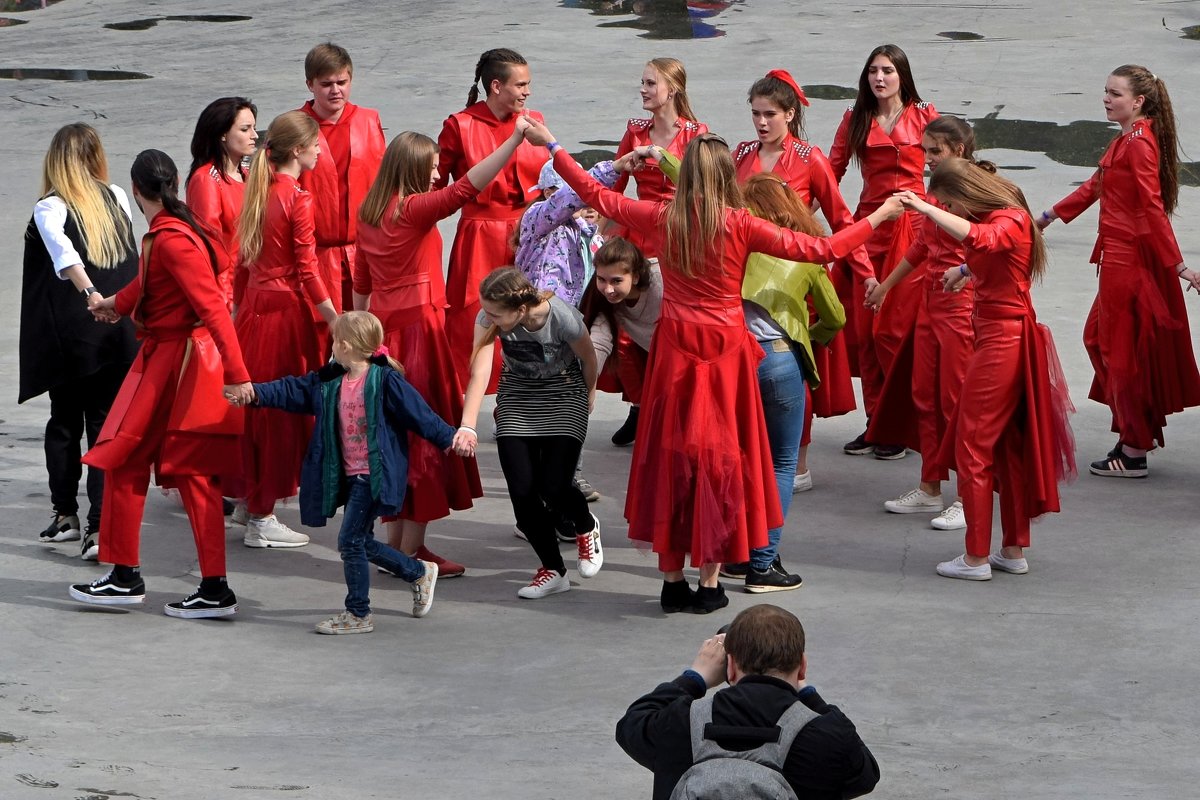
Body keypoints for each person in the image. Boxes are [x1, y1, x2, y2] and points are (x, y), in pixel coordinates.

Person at [523, 121, 904, 612]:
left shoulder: (661, 217)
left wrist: (554, 142)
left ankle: (671, 581)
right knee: (723, 462)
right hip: (725, 353)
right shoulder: (740, 224)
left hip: (676, 350)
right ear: (727, 175)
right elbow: (823, 248)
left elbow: (592, 190)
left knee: (672, 460)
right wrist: (883, 214)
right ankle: (709, 584)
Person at [68, 149, 250, 618]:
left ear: (135, 191)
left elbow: (210, 307)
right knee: (145, 465)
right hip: (174, 361)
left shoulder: (170, 238)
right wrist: (115, 303)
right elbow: (152, 285)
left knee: (163, 466)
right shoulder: (177, 231)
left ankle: (162, 581)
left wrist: (239, 374)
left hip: (177, 364)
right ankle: (149, 577)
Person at [353, 120, 532, 578]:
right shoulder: (410, 210)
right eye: (432, 169)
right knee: (426, 442)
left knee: (398, 438)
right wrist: (513, 139)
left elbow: (361, 284)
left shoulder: (369, 212)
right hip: (420, 335)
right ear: (411, 171)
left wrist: (364, 339)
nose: (439, 175)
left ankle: (399, 546)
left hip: (385, 335)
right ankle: (410, 554)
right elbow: (467, 188)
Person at [896, 158, 1076, 581]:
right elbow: (989, 252)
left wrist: (925, 208)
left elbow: (983, 237)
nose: (949, 215)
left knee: (972, 446)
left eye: (948, 206)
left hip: (1002, 342)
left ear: (961, 198)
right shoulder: (1005, 214)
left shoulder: (1008, 217)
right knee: (1005, 447)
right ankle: (1010, 550)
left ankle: (975, 557)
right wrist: (963, 270)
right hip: (1003, 338)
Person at [245, 312, 453, 634]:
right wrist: (255, 393)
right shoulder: (330, 381)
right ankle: (416, 572)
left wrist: (451, 439)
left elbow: (421, 415)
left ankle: (358, 613)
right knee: (359, 541)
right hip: (350, 474)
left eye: (334, 341)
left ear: (344, 345)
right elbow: (293, 390)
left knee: (350, 540)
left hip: (375, 475)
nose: (331, 346)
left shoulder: (385, 381)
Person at [1040, 64, 1200, 478]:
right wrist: (1047, 216)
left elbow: (1151, 209)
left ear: (1138, 101)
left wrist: (1179, 266)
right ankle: (1135, 434)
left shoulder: (1139, 144)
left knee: (1118, 351)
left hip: (1127, 264)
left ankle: (1133, 449)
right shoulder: (1128, 139)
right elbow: (1096, 186)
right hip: (1117, 260)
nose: (1106, 99)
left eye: (1114, 93)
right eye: (1106, 91)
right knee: (1103, 342)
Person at [734, 69, 872, 492]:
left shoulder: (809, 158)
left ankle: (797, 463)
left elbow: (841, 217)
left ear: (790, 114)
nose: (761, 122)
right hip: (747, 273)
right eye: (755, 113)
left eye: (769, 114)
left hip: (796, 274)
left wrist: (867, 275)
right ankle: (760, 456)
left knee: (792, 367)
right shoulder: (741, 153)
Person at [723, 173, 848, 593]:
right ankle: (763, 564)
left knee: (741, 459)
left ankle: (737, 556)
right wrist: (809, 340)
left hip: (734, 362)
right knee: (780, 462)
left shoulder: (735, 246)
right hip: (778, 361)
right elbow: (836, 317)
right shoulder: (807, 256)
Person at [615, 604, 880, 800]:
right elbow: (866, 774)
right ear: (802, 667)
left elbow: (631, 724)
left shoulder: (680, 722)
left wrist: (695, 677)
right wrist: (808, 694)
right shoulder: (827, 736)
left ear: (729, 667)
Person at [20, 122, 138, 561]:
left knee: (64, 423)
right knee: (105, 427)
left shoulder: (49, 207)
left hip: (73, 336)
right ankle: (99, 528)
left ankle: (66, 516)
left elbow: (63, 255)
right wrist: (113, 304)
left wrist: (90, 295)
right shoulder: (115, 197)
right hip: (116, 332)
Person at [453, 267, 604, 599]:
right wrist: (468, 425)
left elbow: (589, 358)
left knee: (554, 485)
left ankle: (586, 525)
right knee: (522, 490)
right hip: (518, 398)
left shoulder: (560, 317)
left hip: (565, 395)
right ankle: (553, 569)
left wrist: (588, 394)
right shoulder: (489, 317)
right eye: (486, 311)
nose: (487, 317)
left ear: (520, 309)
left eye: (495, 314)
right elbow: (479, 372)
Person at [864, 116, 984, 531]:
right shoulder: (934, 193)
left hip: (960, 308)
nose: (928, 160)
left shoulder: (978, 193)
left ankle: (970, 498)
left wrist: (966, 272)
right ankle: (931, 486)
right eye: (926, 152)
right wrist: (886, 286)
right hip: (929, 306)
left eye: (935, 152)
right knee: (924, 396)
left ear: (959, 151)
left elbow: (994, 245)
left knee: (955, 402)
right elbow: (920, 247)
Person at [235, 110, 339, 549]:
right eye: (315, 143)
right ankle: (261, 515)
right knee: (281, 414)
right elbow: (307, 269)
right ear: (297, 150)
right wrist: (336, 318)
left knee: (256, 411)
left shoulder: (256, 189)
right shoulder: (298, 198)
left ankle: (248, 502)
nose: (321, 149)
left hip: (254, 313)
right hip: (284, 316)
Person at [830, 44, 938, 459]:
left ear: (902, 76)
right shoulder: (855, 117)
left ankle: (899, 422)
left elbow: (951, 165)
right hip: (867, 227)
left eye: (888, 70)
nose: (879, 78)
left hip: (912, 231)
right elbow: (830, 171)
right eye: (873, 70)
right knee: (863, 331)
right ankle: (876, 422)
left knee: (894, 330)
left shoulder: (926, 114)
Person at [436, 47, 548, 387]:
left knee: (529, 316)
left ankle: (518, 400)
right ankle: (461, 398)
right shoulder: (459, 125)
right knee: (470, 318)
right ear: (496, 86)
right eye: (521, 85)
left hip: (529, 232)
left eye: (528, 85)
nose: (527, 92)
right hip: (478, 235)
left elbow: (552, 181)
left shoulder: (535, 122)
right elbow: (433, 188)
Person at [297, 43, 386, 323]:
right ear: (310, 84)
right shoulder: (295, 126)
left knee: (367, 331)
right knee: (320, 334)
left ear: (351, 79)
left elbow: (385, 183)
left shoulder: (369, 120)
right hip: (314, 254)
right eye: (326, 84)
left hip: (365, 249)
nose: (335, 90)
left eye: (341, 82)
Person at [611, 57, 708, 255]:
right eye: (642, 83)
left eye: (651, 83)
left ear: (671, 90)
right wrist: (597, 235)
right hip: (640, 229)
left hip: (680, 231)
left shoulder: (695, 133)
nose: (642, 89)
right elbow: (614, 187)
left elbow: (702, 191)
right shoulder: (634, 132)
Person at [579, 237, 662, 449]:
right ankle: (639, 410)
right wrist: (583, 387)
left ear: (635, 276)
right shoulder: (605, 301)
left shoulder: (661, 285)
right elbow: (598, 345)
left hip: (687, 359)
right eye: (601, 280)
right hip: (656, 355)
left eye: (616, 281)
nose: (608, 289)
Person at [187, 96, 258, 308]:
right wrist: (226, 301)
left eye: (254, 128)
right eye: (245, 129)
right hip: (229, 293)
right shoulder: (206, 180)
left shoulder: (246, 174)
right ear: (223, 134)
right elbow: (210, 249)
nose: (254, 135)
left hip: (252, 284)